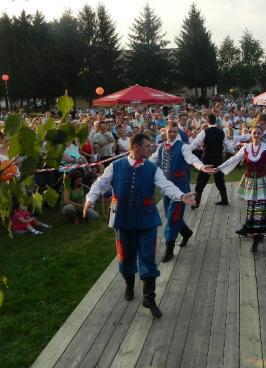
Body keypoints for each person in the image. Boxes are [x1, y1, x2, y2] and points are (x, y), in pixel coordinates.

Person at [82, 133, 196, 318]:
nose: (151, 149)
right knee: (125, 258)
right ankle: (129, 284)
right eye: (147, 146)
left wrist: (181, 196)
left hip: (146, 219)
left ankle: (149, 298)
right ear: (135, 147)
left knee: (148, 256)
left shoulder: (152, 168)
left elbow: (166, 185)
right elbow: (100, 183)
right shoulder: (116, 166)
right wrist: (90, 199)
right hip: (122, 219)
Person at [149, 123, 213, 262]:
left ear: (177, 133)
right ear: (165, 132)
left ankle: (169, 248)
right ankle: (186, 232)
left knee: (172, 218)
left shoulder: (183, 146)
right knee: (171, 216)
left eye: (174, 132)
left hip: (181, 191)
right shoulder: (161, 147)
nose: (172, 134)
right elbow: (151, 161)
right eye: (170, 131)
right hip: (167, 189)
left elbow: (192, 159)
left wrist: (201, 167)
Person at [188, 113, 233, 206]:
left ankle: (196, 202)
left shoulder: (204, 132)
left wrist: (186, 151)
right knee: (219, 180)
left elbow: (195, 143)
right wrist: (233, 151)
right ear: (215, 120)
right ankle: (224, 200)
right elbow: (228, 145)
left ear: (207, 121)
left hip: (207, 160)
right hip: (218, 159)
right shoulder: (221, 132)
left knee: (201, 181)